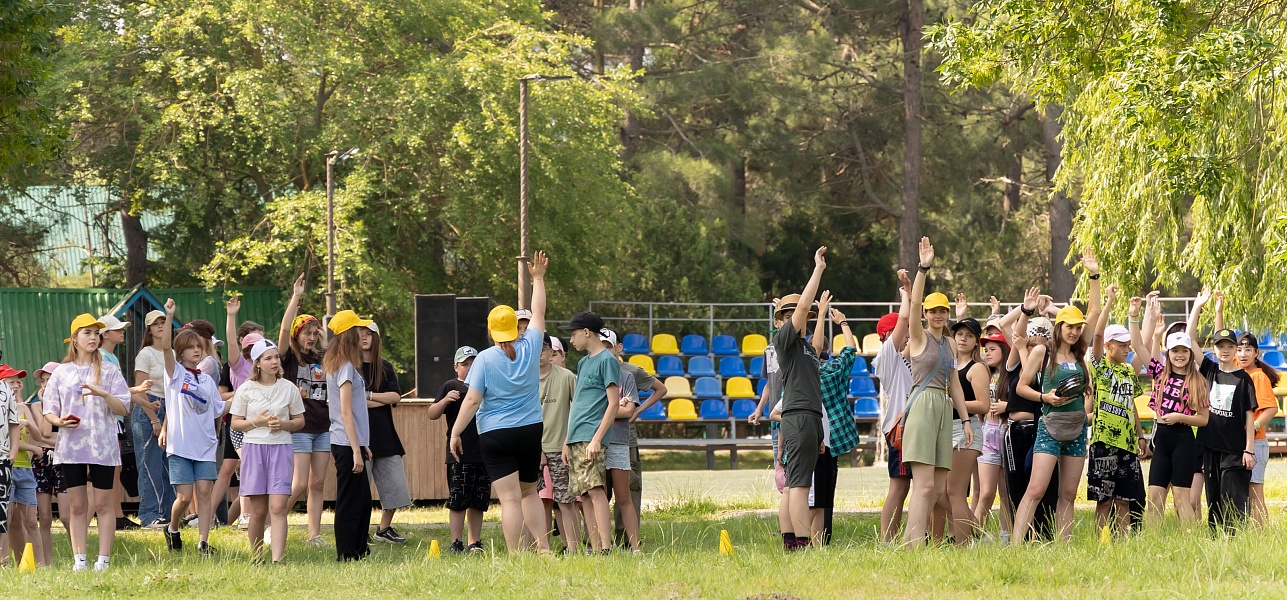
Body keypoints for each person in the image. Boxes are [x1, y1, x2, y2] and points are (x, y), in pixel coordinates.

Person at [451, 251, 552, 554]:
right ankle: (544, 549)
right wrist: (537, 279)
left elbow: (471, 401)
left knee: (509, 499)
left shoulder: (484, 359)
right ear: (515, 326)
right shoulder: (532, 345)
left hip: (495, 434)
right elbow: (539, 312)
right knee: (530, 492)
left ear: (491, 330)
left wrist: (455, 433)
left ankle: (515, 554)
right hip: (530, 430)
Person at [43, 314, 132, 571]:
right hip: (72, 447)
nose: (94, 338)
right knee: (77, 505)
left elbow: (123, 408)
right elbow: (49, 409)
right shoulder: (61, 372)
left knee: (104, 504)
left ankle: (103, 561)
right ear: (74, 339)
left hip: (103, 446)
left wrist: (103, 392)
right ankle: (79, 560)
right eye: (87, 333)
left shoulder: (109, 370)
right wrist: (58, 422)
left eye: (96, 333)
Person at [901, 238, 973, 547]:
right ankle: (915, 544)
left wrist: (967, 420)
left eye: (943, 311)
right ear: (927, 314)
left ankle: (910, 540)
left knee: (940, 484)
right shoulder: (919, 337)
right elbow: (914, 305)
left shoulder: (950, 343)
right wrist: (923, 268)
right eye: (934, 311)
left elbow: (954, 381)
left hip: (944, 407)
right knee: (925, 484)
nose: (939, 315)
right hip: (923, 404)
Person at [1129, 298, 1208, 524]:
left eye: (1184, 350)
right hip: (1161, 440)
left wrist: (1179, 417)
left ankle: (1190, 542)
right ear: (1168, 352)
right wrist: (1136, 316)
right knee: (1154, 497)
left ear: (1190, 353)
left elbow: (1203, 419)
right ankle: (1154, 545)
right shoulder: (1160, 373)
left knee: (1181, 497)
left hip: (1183, 439)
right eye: (1175, 351)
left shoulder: (1198, 381)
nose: (1180, 355)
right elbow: (1137, 345)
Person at [157, 299, 225, 556]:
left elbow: (218, 409)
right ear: (181, 352)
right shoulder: (174, 373)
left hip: (205, 445)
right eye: (190, 347)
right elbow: (165, 348)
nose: (197, 351)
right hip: (181, 445)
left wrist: (245, 397)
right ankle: (172, 528)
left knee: (205, 492)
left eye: (199, 347)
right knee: (184, 498)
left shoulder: (207, 379)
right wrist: (169, 314)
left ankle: (203, 542)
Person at [1186, 293, 1256, 533]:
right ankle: (1216, 542)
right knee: (1214, 500)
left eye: (1230, 346)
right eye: (1220, 346)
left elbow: (1249, 416)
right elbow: (1189, 339)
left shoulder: (1244, 379)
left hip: (1235, 449)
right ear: (1214, 350)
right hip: (1210, 447)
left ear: (1236, 349)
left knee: (1234, 503)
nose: (1225, 350)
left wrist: (1249, 449)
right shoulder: (1209, 370)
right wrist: (1197, 307)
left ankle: (1237, 543)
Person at [774, 246, 830, 548]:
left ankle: (790, 541)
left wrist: (819, 314)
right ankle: (802, 543)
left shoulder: (805, 347)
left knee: (794, 485)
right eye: (787, 314)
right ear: (778, 321)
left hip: (808, 418)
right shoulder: (784, 340)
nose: (796, 317)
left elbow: (818, 343)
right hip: (798, 417)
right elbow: (800, 308)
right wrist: (818, 270)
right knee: (798, 486)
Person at [230, 339, 304, 564]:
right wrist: (257, 422)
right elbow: (235, 423)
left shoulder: (289, 388)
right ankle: (257, 557)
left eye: (276, 357)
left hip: (281, 449)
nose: (275, 362)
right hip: (254, 450)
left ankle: (277, 560)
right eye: (268, 358)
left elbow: (300, 421)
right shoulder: (246, 389)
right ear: (258, 363)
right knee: (259, 511)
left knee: (279, 507)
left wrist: (283, 424)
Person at [1086, 289, 1148, 536]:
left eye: (1128, 346)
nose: (1126, 349)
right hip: (1104, 442)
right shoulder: (1100, 366)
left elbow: (1131, 406)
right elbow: (1098, 333)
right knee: (1104, 500)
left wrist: (1141, 437)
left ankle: (1123, 543)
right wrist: (1110, 300)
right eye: (1121, 346)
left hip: (1128, 444)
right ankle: (1101, 544)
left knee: (1125, 499)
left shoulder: (1129, 372)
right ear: (1109, 346)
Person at [559, 309, 620, 554]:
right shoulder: (584, 362)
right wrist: (567, 439)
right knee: (584, 495)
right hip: (576, 437)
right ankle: (595, 547)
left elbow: (613, 403)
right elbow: (578, 404)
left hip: (591, 437)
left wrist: (596, 439)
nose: (571, 340)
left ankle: (606, 547)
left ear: (587, 332)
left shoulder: (607, 360)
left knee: (596, 491)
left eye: (574, 334)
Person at [278, 273, 332, 547]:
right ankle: (274, 522)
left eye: (315, 333)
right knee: (298, 484)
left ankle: (314, 534)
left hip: (323, 427)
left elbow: (334, 359)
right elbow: (285, 331)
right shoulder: (288, 358)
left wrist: (323, 341)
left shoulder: (322, 358)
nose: (311, 337)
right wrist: (296, 297)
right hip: (300, 426)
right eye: (307, 333)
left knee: (318, 482)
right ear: (298, 336)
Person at [325, 309, 375, 561]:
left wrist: (362, 444)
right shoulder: (344, 367)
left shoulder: (344, 365)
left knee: (363, 501)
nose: (363, 333)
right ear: (349, 334)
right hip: (345, 443)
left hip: (352, 442)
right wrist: (355, 448)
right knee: (349, 501)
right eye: (359, 329)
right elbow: (345, 412)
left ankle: (359, 549)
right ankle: (346, 553)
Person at [429, 346, 489, 553]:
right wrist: (445, 400)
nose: (469, 368)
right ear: (456, 367)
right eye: (465, 364)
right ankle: (456, 541)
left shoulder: (484, 385)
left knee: (478, 500)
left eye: (473, 364)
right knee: (458, 499)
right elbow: (432, 413)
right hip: (459, 455)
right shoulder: (451, 386)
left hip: (483, 452)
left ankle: (475, 541)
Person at [361, 322, 412, 544]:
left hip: (386, 436)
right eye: (359, 334)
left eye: (368, 334)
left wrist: (370, 396)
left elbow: (395, 397)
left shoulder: (386, 367)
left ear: (376, 338)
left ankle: (384, 529)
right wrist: (380, 399)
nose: (363, 337)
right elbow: (352, 403)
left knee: (396, 486)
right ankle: (359, 529)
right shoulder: (349, 367)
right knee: (359, 489)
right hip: (360, 436)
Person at [216, 296, 264, 531]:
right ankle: (245, 514)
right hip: (239, 422)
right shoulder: (238, 365)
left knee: (252, 466)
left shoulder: (264, 367)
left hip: (260, 423)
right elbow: (231, 344)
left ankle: (233, 517)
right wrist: (231, 315)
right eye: (252, 347)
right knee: (247, 464)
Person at [815, 300, 860, 545]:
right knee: (828, 490)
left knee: (811, 490)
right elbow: (850, 350)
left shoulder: (803, 377)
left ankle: (805, 534)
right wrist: (842, 322)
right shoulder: (833, 372)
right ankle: (825, 534)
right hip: (831, 440)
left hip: (808, 436)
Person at [944, 315, 988, 545]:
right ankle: (977, 535)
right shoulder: (950, 363)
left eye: (969, 335)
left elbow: (984, 405)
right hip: (945, 429)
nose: (963, 338)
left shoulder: (977, 367)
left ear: (976, 341)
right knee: (941, 493)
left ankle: (963, 546)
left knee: (955, 493)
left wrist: (950, 402)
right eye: (959, 334)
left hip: (965, 429)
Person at [876, 273, 913, 543]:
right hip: (901, 430)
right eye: (905, 331)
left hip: (912, 427)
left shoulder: (902, 357)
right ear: (889, 335)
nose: (909, 334)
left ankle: (896, 537)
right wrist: (905, 295)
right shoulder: (887, 356)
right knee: (898, 488)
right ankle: (887, 540)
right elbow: (903, 319)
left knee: (908, 487)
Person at [599, 329, 643, 552]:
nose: (605, 351)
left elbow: (628, 412)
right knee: (598, 496)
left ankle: (634, 547)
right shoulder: (591, 372)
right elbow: (589, 408)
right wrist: (617, 406)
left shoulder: (626, 376)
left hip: (618, 442)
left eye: (609, 346)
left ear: (616, 348)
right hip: (596, 442)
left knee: (623, 496)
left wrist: (606, 410)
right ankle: (600, 545)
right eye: (602, 346)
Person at [133, 309, 176, 530]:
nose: (160, 326)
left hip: (170, 409)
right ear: (149, 329)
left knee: (170, 464)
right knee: (149, 464)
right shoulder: (146, 354)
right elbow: (140, 391)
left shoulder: (173, 353)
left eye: (164, 322)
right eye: (156, 323)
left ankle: (169, 514)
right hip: (149, 408)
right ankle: (149, 515)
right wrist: (153, 420)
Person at [96, 314, 139, 531]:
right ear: (104, 334)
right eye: (117, 329)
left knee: (117, 467)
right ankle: (114, 515)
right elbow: (111, 392)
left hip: (118, 418)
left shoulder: (112, 357)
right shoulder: (102, 357)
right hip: (110, 417)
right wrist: (136, 391)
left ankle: (116, 514)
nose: (122, 332)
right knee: (113, 467)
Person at [538, 334, 579, 552]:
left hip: (560, 447)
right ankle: (536, 547)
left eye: (544, 350)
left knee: (565, 500)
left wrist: (568, 442)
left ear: (552, 352)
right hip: (531, 448)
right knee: (533, 501)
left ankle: (572, 548)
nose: (540, 354)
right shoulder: (522, 378)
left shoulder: (566, 377)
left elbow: (578, 410)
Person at [1235, 332, 1279, 526]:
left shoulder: (1259, 377)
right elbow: (1221, 341)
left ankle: (1260, 535)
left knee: (1255, 492)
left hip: (1256, 443)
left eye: (1248, 350)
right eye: (1239, 349)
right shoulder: (1238, 371)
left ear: (1256, 353)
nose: (1243, 354)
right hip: (1239, 442)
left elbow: (1271, 408)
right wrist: (1218, 313)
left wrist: (1255, 425)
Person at [3, 367, 42, 565]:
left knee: (30, 521)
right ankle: (7, 561)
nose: (17, 385)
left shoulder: (24, 408)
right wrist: (32, 449)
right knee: (8, 520)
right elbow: (7, 441)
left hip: (25, 470)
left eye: (18, 382)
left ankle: (40, 565)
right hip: (7, 468)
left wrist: (28, 423)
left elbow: (39, 436)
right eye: (12, 382)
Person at [28, 362, 66, 566]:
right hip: (42, 461)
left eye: (49, 380)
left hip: (64, 461)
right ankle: (47, 562)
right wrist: (46, 404)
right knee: (45, 517)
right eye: (42, 381)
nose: (45, 385)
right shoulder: (36, 405)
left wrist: (57, 441)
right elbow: (42, 435)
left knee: (67, 516)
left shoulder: (70, 404)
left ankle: (79, 556)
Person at [0, 366, 19, 564]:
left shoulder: (6, 389)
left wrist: (12, 453)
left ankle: (2, 559)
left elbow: (13, 422)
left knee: (1, 510)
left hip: (2, 458)